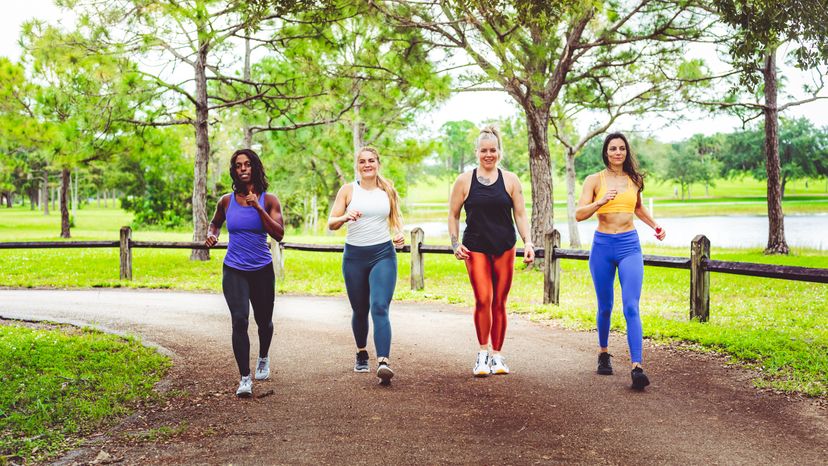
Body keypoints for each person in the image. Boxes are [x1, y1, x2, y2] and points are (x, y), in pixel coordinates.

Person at [575, 132, 666, 390]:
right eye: (613, 148)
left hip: (629, 246)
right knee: (605, 306)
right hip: (603, 246)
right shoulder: (594, 180)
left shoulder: (633, 179)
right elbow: (579, 214)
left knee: (631, 306)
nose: (617, 152)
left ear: (626, 152)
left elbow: (637, 208)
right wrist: (600, 201)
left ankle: (637, 367)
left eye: (622, 149)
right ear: (606, 152)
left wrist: (655, 226)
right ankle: (603, 353)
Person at [448, 126, 535, 377]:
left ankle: (497, 356)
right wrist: (455, 244)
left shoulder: (510, 180)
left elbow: (520, 213)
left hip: (504, 246)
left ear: (499, 152)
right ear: (477, 152)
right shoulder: (464, 180)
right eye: (484, 150)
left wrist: (527, 242)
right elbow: (453, 215)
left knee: (499, 302)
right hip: (475, 246)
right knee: (483, 299)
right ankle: (482, 354)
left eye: (493, 150)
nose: (489, 154)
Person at [205, 148, 284, 398]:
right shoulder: (226, 201)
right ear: (234, 171)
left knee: (264, 321)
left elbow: (279, 234)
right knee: (239, 320)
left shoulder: (269, 200)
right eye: (238, 165)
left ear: (255, 167)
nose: (242, 168)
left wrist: (257, 208)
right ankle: (245, 378)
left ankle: (263, 356)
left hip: (261, 269)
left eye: (247, 164)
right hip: (234, 268)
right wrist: (212, 234)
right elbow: (216, 222)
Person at [328, 147, 405, 385]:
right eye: (362, 161)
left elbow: (397, 217)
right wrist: (345, 217)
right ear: (357, 166)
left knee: (379, 306)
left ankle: (383, 362)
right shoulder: (348, 190)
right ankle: (362, 351)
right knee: (359, 309)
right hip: (354, 257)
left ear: (378, 163)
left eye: (371, 160)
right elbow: (331, 223)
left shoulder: (387, 189)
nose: (367, 164)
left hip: (383, 254)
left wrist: (400, 234)